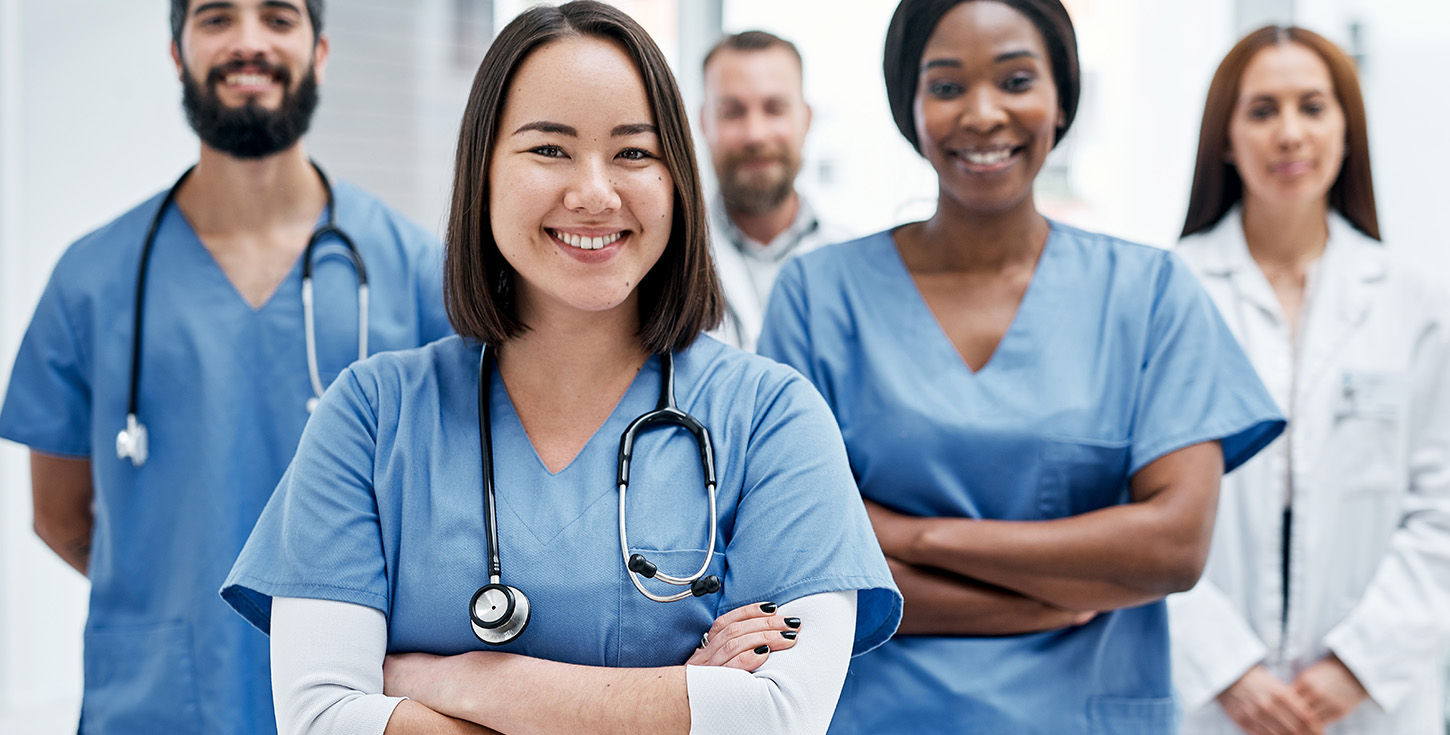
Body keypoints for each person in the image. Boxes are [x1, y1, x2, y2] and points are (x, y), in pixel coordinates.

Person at [219, 3, 902, 734]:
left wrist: (447, 679)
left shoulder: (773, 418)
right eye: (550, 149)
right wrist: (677, 697)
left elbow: (775, 717)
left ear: (678, 180)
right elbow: (321, 718)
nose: (595, 193)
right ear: (483, 170)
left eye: (635, 153)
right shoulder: (371, 415)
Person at [758, 0, 1286, 732]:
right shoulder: (819, 296)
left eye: (1015, 80)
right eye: (946, 87)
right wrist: (1045, 597)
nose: (982, 113)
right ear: (908, 107)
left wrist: (913, 536)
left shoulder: (1149, 294)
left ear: (1061, 98)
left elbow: (1174, 545)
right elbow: (801, 566)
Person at [0, 1, 453, 732]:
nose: (248, 42)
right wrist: (162, 599)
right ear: (177, 52)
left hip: (355, 704)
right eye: (216, 18)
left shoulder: (414, 275)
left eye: (277, 17)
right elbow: (57, 515)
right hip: (154, 706)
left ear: (322, 51)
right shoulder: (92, 280)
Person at [1170, 25, 1450, 735]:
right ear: (1225, 139)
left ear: (1347, 131)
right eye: (1262, 111)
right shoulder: (1171, 292)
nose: (1290, 133)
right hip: (1209, 697)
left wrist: (1357, 664)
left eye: (1313, 107)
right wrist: (1226, 665)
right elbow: (1131, 502)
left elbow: (1440, 508)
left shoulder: (1410, 302)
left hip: (1369, 699)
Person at [699, 30, 847, 351]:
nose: (755, 134)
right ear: (704, 123)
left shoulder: (853, 261)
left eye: (774, 108)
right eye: (733, 112)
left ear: (806, 120)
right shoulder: (669, 260)